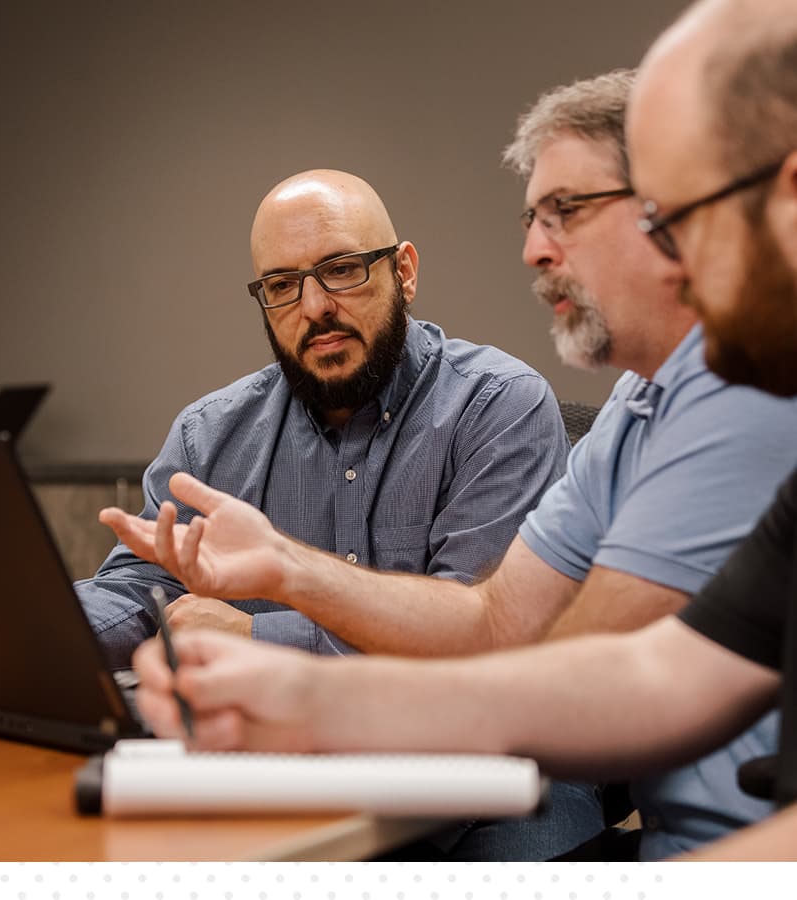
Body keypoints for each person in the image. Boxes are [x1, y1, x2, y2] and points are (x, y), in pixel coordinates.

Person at [125, 0, 797, 860]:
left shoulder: (739, 384)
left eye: (572, 209)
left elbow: (602, 678)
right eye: (533, 218)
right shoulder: (647, 403)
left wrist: (298, 675)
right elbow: (572, 654)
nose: (534, 252)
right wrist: (295, 627)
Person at [77, 169, 590, 859]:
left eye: (342, 270)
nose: (314, 305)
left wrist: (256, 636)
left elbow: (479, 631)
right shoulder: (211, 434)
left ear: (403, 271)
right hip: (286, 766)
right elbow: (142, 589)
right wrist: (28, 626)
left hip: (494, 772)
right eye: (282, 285)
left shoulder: (498, 406)